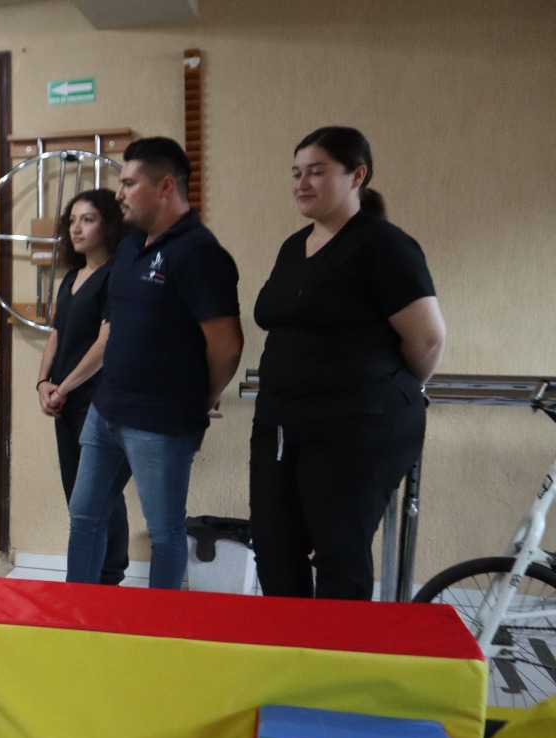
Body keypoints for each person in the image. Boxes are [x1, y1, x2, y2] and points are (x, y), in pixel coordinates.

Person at [250, 126, 445, 600]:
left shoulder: (384, 246)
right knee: (274, 547)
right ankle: (288, 641)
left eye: (317, 172)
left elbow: (427, 339)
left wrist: (380, 390)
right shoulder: (293, 247)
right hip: (282, 420)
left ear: (357, 176)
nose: (302, 183)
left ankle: (339, 646)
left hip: (355, 425)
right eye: (296, 173)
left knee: (339, 552)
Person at [65, 137, 243, 591]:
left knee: (164, 533)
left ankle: (161, 624)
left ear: (165, 186)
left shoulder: (199, 252)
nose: (119, 194)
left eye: (129, 183)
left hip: (160, 422)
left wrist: (201, 396)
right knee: (84, 517)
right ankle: (74, 615)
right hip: (106, 410)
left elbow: (226, 344)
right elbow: (116, 326)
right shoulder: (130, 247)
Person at [36, 188, 129, 585]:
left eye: (87, 219)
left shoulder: (116, 275)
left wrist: (64, 387)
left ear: (108, 225)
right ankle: (95, 576)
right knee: (78, 494)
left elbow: (105, 345)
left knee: (100, 497)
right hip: (65, 402)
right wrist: (43, 382)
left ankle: (109, 575)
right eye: (72, 220)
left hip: (98, 401)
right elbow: (56, 335)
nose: (76, 228)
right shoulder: (71, 278)